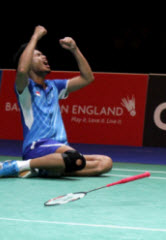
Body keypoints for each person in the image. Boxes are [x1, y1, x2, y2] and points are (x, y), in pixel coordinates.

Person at [0, 25, 113, 178]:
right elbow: (21, 70)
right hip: (37, 147)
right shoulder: (26, 89)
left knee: (105, 163)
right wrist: (35, 37)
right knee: (74, 158)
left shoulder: (54, 87)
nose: (44, 57)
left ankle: (42, 169)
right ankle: (19, 166)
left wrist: (74, 49)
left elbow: (88, 78)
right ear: (27, 61)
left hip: (60, 149)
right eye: (38, 55)